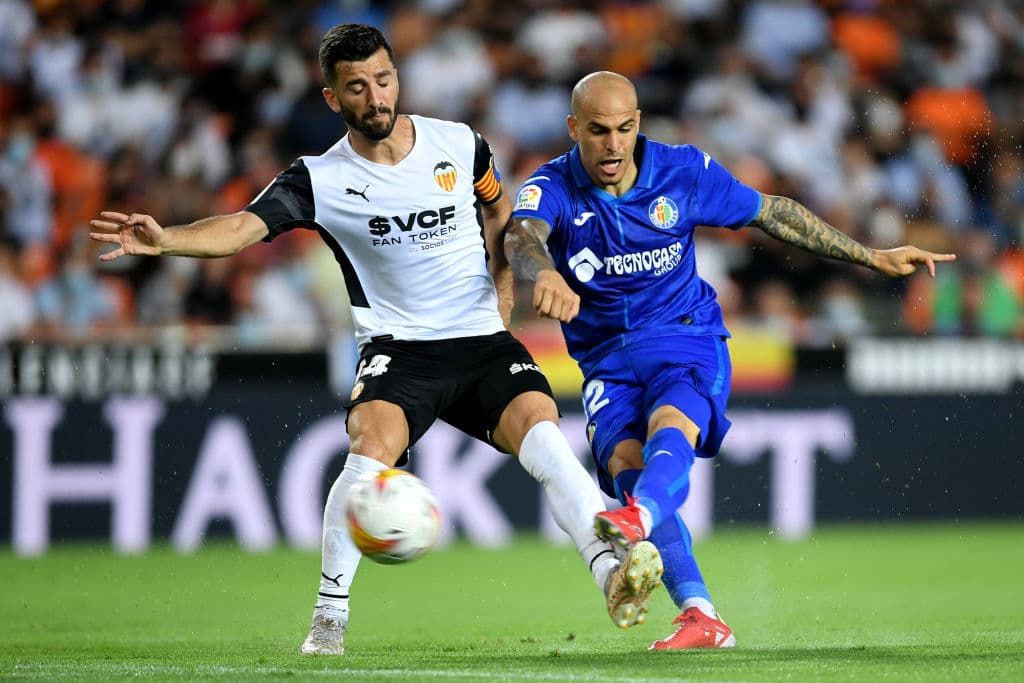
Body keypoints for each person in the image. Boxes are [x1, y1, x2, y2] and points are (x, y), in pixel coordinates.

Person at [89, 27, 664, 655]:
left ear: (397, 78)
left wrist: (503, 290)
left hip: (479, 340)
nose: (376, 96)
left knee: (548, 440)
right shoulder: (318, 179)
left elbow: (499, 212)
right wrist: (166, 238)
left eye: (384, 80)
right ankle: (328, 622)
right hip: (401, 348)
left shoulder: (460, 145)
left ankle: (611, 575)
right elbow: (241, 229)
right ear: (333, 98)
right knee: (369, 453)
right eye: (357, 87)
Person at [503, 71, 956, 651]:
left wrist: (869, 255)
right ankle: (700, 615)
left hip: (685, 337)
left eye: (623, 128)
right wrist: (541, 270)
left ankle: (637, 521)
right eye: (597, 131)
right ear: (574, 129)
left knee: (672, 427)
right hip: (606, 362)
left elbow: (772, 213)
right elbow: (522, 235)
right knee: (625, 463)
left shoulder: (683, 172)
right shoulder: (554, 186)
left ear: (638, 123)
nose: (613, 144)